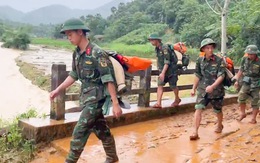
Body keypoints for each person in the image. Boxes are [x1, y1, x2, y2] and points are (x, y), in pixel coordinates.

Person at [49, 18, 122, 163]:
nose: (68, 38)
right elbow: (74, 75)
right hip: (86, 98)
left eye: (70, 34)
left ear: (80, 32)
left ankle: (70, 161)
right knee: (101, 129)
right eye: (67, 35)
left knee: (80, 130)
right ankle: (112, 157)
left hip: (97, 99)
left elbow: (108, 79)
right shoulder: (76, 54)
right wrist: (58, 89)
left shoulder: (97, 53)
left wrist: (115, 103)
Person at [190, 38, 226, 140]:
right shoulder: (199, 60)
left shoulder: (219, 60)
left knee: (217, 110)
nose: (210, 50)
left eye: (211, 48)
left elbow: (221, 76)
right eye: (207, 48)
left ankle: (219, 124)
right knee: (198, 108)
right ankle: (195, 131)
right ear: (203, 49)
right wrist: (193, 88)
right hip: (202, 90)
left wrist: (213, 86)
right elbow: (198, 75)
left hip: (216, 91)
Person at [148, 33, 181, 109]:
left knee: (173, 86)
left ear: (157, 40)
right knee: (160, 85)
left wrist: (162, 73)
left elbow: (167, 61)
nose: (151, 42)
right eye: (150, 40)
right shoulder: (157, 48)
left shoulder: (164, 48)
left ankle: (177, 99)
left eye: (152, 40)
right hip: (162, 71)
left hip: (171, 71)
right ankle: (158, 103)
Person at [232, 45, 260, 124]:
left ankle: (253, 118)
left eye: (252, 54)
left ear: (255, 54)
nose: (250, 55)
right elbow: (241, 70)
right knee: (241, 97)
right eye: (249, 54)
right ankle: (243, 113)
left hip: (256, 82)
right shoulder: (244, 59)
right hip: (246, 81)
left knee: (255, 101)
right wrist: (236, 79)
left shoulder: (259, 61)